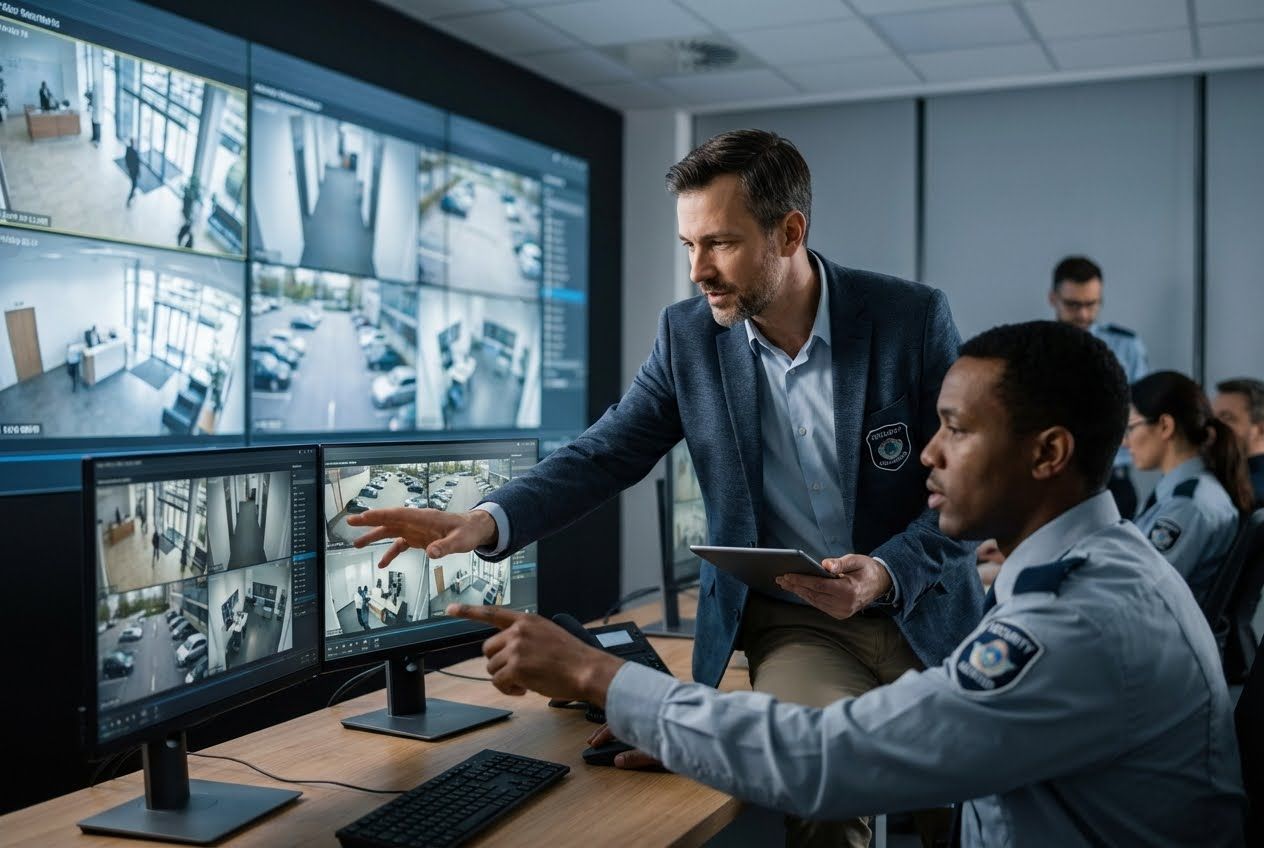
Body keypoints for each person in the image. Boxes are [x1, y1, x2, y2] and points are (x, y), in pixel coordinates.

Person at [349, 129, 983, 846]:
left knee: (963, 809)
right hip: (801, 624)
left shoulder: (909, 319)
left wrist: (887, 570)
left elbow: (968, 492)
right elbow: (607, 451)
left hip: (922, 608)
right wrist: (490, 519)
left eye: (719, 243)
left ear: (789, 232)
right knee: (822, 796)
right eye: (689, 246)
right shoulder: (688, 338)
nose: (698, 271)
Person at [450, 320, 1246, 846]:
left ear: (1048, 455)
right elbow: (889, 733)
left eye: (957, 431)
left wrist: (595, 673)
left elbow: (830, 759)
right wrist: (694, 730)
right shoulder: (1099, 569)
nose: (928, 455)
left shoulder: (1075, 622)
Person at [1126, 371, 1252, 604]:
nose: (1126, 442)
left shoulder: (1189, 505)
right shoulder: (1179, 493)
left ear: (1165, 426)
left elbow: (1141, 591)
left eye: (1131, 428)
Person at [1049, 256, 1149, 518]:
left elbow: (1141, 410)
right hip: (1054, 478)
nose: (1083, 314)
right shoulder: (1038, 347)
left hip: (1112, 479)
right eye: (1072, 305)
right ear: (1053, 299)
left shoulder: (1126, 346)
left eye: (1091, 305)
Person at [1213, 377, 1264, 507]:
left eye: (1227, 418)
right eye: (1213, 418)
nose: (1213, 427)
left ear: (1260, 428)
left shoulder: (1251, 494)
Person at [125, 139, 141, 207]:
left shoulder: (128, 149)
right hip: (134, 171)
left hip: (131, 170)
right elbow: (136, 164)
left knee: (134, 184)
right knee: (134, 185)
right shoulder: (134, 152)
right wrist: (138, 172)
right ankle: (129, 198)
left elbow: (126, 159)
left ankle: (133, 193)